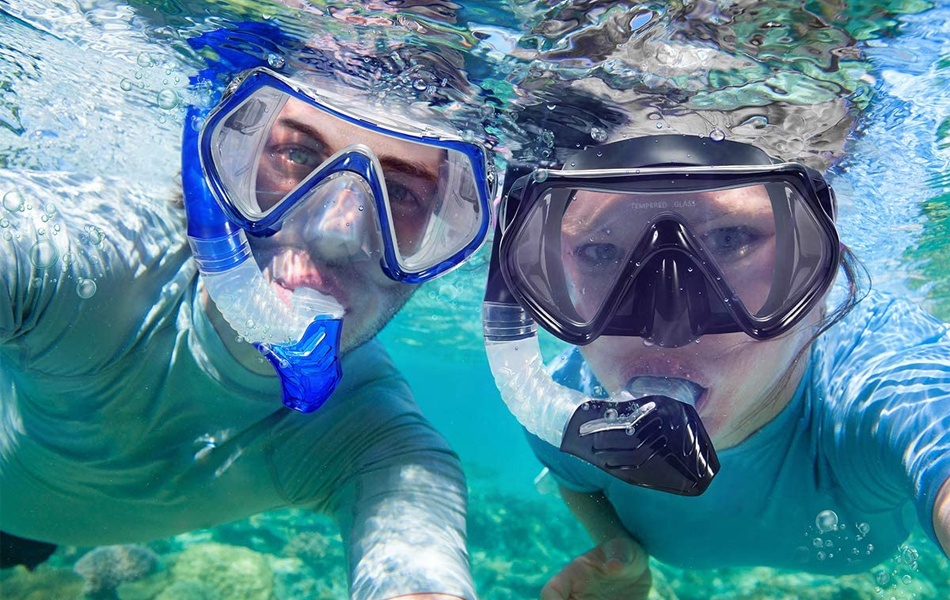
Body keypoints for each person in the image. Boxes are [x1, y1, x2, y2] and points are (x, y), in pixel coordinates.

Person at [0, 18, 496, 600]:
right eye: (294, 154)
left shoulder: (375, 441)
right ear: (217, 167)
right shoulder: (84, 262)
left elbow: (414, 564)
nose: (337, 232)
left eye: (403, 195)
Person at [480, 84, 950, 598]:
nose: (667, 326)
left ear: (818, 267)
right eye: (600, 251)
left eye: (731, 239)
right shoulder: (565, 413)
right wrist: (624, 557)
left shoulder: (889, 390)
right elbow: (577, 480)